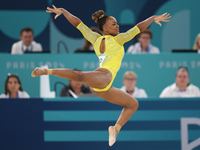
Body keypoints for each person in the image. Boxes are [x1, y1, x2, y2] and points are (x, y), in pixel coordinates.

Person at [31, 5, 170, 146]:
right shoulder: (116, 39)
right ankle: (46, 71)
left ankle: (115, 129)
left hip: (104, 86)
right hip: (103, 76)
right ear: (105, 28)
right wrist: (152, 18)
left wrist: (65, 11)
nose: (118, 26)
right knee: (78, 76)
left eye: (117, 23)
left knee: (133, 104)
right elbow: (138, 28)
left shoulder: (96, 39)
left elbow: (79, 24)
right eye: (113, 24)